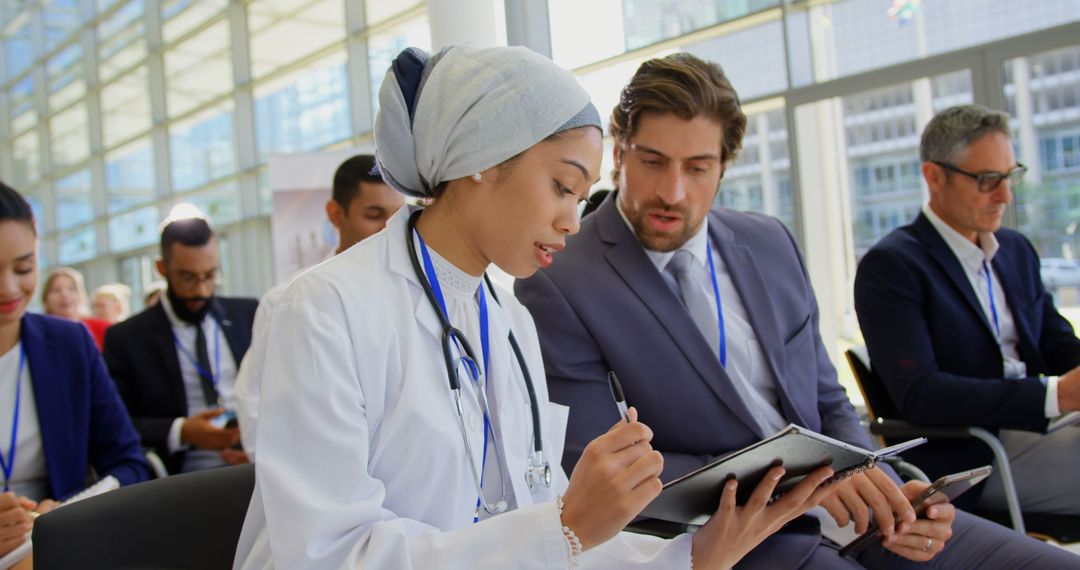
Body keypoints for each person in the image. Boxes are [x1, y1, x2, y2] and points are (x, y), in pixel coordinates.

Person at [234, 45, 837, 569]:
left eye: (580, 196)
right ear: (481, 159)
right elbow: (327, 556)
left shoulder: (510, 320)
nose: (574, 221)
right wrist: (568, 525)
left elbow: (537, 527)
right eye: (562, 186)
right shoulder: (322, 312)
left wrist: (689, 556)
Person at [516, 54, 1080, 568]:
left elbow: (828, 402)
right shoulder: (563, 277)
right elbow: (605, 471)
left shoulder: (768, 242)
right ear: (620, 151)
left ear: (725, 165)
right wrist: (806, 485)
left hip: (856, 511)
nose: (674, 192)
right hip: (737, 538)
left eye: (698, 167)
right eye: (653, 161)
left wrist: (880, 484)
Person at [854, 104, 1080, 516]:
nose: (1006, 196)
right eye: (988, 180)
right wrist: (1057, 394)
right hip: (977, 454)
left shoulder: (1014, 250)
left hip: (1041, 427)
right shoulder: (893, 266)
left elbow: (1057, 343)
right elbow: (922, 395)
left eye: (1010, 177)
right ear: (934, 177)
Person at [0, 181, 150, 557]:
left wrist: (70, 512)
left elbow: (130, 463)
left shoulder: (69, 345)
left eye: (24, 268)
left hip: (51, 546)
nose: (9, 288)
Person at [234, 153, 404, 457]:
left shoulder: (410, 296)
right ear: (336, 214)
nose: (389, 230)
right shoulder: (290, 300)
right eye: (374, 215)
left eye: (397, 216)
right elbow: (258, 409)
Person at [103, 208, 258, 475]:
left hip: (255, 460)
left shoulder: (248, 315)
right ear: (162, 269)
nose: (200, 289)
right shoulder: (127, 338)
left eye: (210, 275)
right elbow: (114, 423)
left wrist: (258, 443)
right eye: (187, 277)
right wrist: (181, 431)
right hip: (181, 475)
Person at [41, 267, 111, 351]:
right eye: (56, 290)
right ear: (45, 299)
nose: (64, 294)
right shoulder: (38, 334)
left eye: (72, 289)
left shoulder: (103, 328)